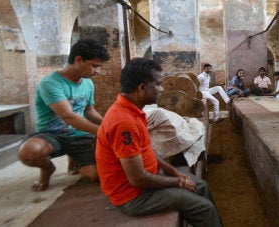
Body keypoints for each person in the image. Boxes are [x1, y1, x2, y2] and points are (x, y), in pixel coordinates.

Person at [96, 58, 222, 226]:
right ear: (142, 88)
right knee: (204, 208)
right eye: (158, 84)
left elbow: (148, 151)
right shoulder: (124, 122)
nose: (162, 89)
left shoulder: (134, 111)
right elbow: (138, 179)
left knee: (202, 186)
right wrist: (179, 181)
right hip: (133, 196)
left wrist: (174, 172)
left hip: (149, 179)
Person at [17, 39, 110, 191]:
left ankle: (75, 158)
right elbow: (68, 116)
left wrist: (108, 124)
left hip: (80, 136)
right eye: (94, 66)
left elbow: (89, 110)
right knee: (29, 152)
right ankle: (47, 169)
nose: (97, 71)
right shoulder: (50, 83)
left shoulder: (87, 83)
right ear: (78, 59)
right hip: (52, 135)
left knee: (95, 176)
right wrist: (102, 132)